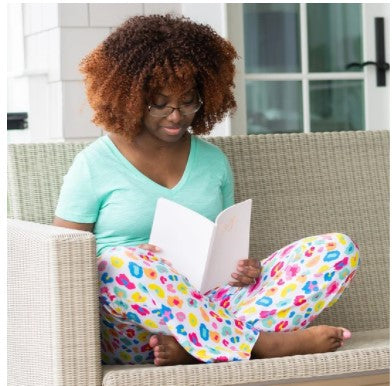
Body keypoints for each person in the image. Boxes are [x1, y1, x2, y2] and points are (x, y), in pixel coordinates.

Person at [53, 14, 359, 366]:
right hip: (132, 328)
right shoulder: (94, 164)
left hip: (211, 305)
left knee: (336, 250)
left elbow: (223, 247)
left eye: (188, 101)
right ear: (130, 96)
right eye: (160, 103)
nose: (175, 116)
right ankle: (262, 345)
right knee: (119, 262)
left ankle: (196, 348)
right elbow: (61, 261)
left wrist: (245, 270)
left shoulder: (213, 161)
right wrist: (135, 261)